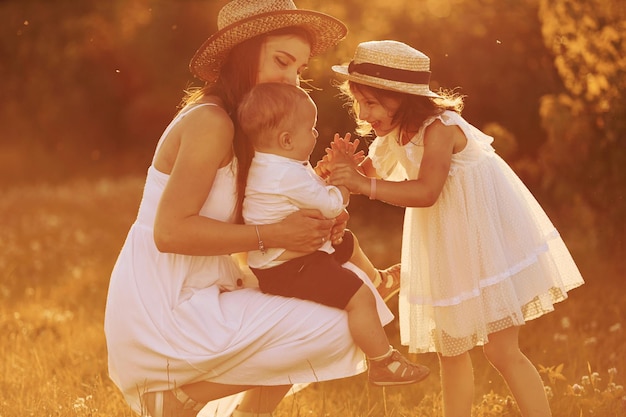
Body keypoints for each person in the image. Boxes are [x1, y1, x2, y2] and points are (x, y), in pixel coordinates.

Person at [103, 2, 399, 416]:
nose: (292, 79)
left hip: (210, 287)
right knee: (338, 323)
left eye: (299, 68)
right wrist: (276, 235)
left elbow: (268, 203)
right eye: (282, 61)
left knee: (349, 300)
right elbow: (169, 233)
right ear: (242, 53)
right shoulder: (211, 123)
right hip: (168, 302)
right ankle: (179, 398)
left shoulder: (247, 128)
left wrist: (319, 209)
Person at [325, 40, 585, 417]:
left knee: (500, 349)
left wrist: (363, 184)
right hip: (447, 241)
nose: (363, 114)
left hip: (485, 235)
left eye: (371, 103)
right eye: (359, 104)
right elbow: (367, 177)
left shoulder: (440, 128)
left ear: (401, 97)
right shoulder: (389, 137)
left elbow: (427, 191)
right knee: (451, 347)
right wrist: (340, 173)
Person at [238, 82, 430, 386]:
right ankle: (383, 362)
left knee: (346, 242)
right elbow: (329, 206)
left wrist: (325, 173)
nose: (315, 135)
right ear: (287, 139)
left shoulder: (274, 164)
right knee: (359, 297)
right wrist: (345, 180)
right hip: (289, 269)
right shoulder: (285, 173)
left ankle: (379, 280)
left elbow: (305, 189)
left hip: (285, 258)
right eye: (310, 129)